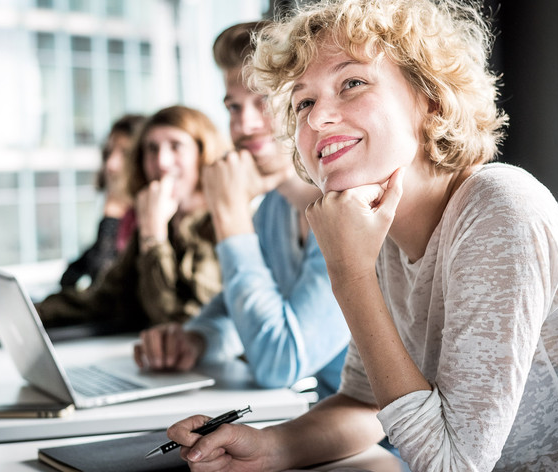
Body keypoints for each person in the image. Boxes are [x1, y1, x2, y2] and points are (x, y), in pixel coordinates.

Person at [164, 1, 558, 471]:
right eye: (303, 102)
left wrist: (349, 274)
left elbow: (451, 464)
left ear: (430, 99)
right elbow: (362, 404)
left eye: (352, 83)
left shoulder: (499, 207)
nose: (315, 119)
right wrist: (267, 446)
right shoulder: (380, 230)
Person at [132, 21, 350, 399]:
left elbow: (280, 363)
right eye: (233, 107)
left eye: (261, 101)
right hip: (323, 426)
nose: (244, 125)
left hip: (386, 447)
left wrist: (230, 216)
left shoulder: (349, 210)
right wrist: (197, 338)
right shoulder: (273, 210)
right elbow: (233, 311)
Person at [36, 105, 227, 333]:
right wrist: (33, 312)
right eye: (152, 149)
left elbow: (176, 323)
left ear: (203, 153)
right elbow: (102, 299)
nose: (162, 162)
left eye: (176, 146)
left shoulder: (220, 224)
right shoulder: (158, 221)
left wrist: (154, 237)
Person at [59, 114, 146, 290]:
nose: (110, 164)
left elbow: (103, 285)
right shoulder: (126, 218)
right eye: (108, 153)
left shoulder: (147, 221)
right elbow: (69, 277)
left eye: (125, 153)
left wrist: (111, 218)